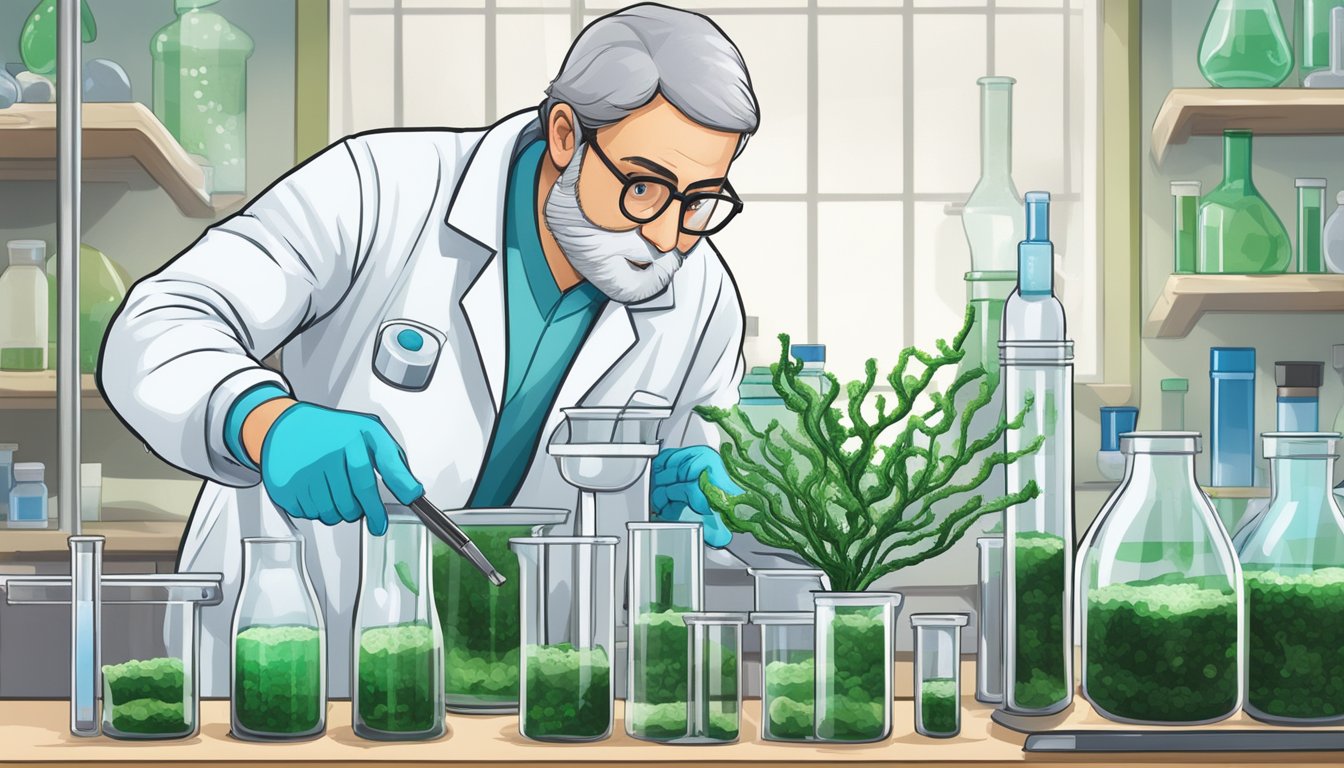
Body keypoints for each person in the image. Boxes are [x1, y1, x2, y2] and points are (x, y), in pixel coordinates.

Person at [99, 3, 759, 697]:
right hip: (302, 642)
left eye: (702, 200)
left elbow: (699, 505)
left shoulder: (701, 296)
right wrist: (264, 422)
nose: (668, 235)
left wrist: (691, 498)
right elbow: (160, 321)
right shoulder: (381, 187)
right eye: (644, 187)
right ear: (566, 134)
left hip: (522, 675)